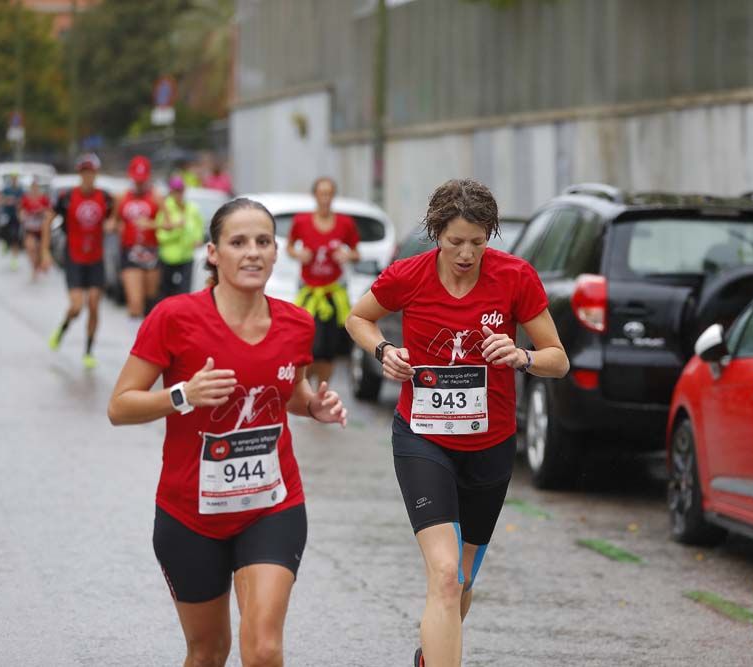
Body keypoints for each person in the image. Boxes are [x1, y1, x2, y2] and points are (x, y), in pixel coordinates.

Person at [107, 197, 349, 667]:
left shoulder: (296, 323)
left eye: (263, 242)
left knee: (264, 649)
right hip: (190, 512)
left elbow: (289, 392)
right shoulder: (174, 318)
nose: (252, 252)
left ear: (276, 251)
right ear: (213, 253)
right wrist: (184, 394)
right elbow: (120, 406)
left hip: (271, 505)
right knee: (207, 651)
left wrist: (312, 405)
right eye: (238, 242)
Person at [345, 178, 569, 667]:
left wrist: (522, 356)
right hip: (422, 439)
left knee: (462, 581)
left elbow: (558, 359)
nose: (467, 253)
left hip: (490, 446)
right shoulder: (408, 275)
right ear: (436, 234)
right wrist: (384, 350)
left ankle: (431, 656)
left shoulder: (515, 277)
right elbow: (358, 318)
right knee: (445, 574)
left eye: (478, 242)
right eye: (455, 242)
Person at [286, 177, 360, 387]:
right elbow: (289, 247)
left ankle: (322, 389)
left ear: (333, 196)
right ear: (315, 196)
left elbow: (356, 253)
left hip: (333, 294)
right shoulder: (301, 221)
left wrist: (347, 255)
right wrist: (298, 254)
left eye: (329, 194)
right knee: (310, 347)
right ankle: (305, 388)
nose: (325, 198)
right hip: (310, 294)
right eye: (322, 194)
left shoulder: (345, 223)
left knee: (328, 351)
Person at [44, 153, 115, 369]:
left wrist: (112, 223)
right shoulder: (67, 197)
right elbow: (48, 219)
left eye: (91, 172)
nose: (88, 176)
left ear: (96, 174)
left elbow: (116, 214)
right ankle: (63, 328)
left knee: (93, 304)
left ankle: (88, 351)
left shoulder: (105, 198)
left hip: (95, 259)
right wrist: (45, 251)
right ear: (79, 174)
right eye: (84, 172)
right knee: (76, 306)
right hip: (74, 257)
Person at [118, 156, 161, 318]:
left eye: (142, 180)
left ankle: (147, 331)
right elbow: (114, 221)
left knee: (150, 300)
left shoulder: (156, 197)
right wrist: (114, 227)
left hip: (151, 251)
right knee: (135, 304)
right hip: (130, 251)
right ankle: (134, 332)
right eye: (137, 180)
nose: (139, 183)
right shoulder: (122, 197)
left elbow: (171, 224)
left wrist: (151, 224)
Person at [156, 174, 204, 300]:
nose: (179, 194)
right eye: (176, 191)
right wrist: (176, 229)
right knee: (167, 294)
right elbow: (160, 235)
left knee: (184, 293)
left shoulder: (191, 208)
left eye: (181, 190)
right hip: (169, 258)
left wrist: (198, 239)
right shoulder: (166, 209)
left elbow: (199, 226)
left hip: (186, 256)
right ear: (171, 192)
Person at [19, 180, 51, 281]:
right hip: (30, 229)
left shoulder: (43, 199)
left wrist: (42, 211)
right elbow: (21, 211)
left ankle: (38, 265)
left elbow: (49, 212)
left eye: (36, 188)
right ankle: (34, 268)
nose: (34, 190)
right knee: (31, 247)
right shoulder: (26, 199)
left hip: (41, 229)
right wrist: (23, 215)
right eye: (33, 188)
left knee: (39, 250)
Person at [0, 173, 24, 270]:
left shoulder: (20, 190)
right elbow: (0, 200)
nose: (14, 179)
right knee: (6, 233)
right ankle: (6, 243)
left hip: (16, 217)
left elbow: (24, 201)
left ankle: (14, 260)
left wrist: (18, 202)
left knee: (15, 237)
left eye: (16, 178)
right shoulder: (6, 189)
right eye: (13, 178)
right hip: (7, 215)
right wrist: (7, 200)